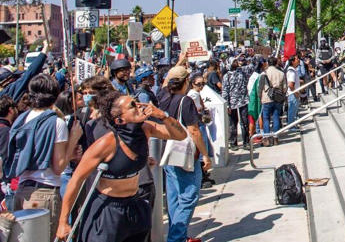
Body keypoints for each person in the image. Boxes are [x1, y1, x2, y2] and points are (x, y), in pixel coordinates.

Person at [55, 89, 187, 242]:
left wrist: (163, 116)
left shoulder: (146, 129)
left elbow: (180, 135)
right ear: (120, 120)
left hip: (134, 204)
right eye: (133, 106)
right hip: (108, 210)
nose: (139, 106)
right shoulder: (107, 143)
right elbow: (76, 180)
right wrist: (63, 222)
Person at [4, 74, 83, 241]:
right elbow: (59, 166)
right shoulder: (56, 123)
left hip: (21, 191)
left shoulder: (21, 119)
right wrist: (74, 138)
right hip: (44, 192)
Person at [157, 67, 212, 242]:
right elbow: (194, 131)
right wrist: (205, 154)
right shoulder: (185, 101)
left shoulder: (162, 97)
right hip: (185, 154)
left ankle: (178, 235)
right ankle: (176, 238)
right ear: (186, 80)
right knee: (189, 196)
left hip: (168, 153)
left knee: (173, 198)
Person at [222, 61, 249, 150]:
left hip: (243, 101)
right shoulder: (227, 76)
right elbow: (225, 91)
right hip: (232, 103)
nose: (236, 63)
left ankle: (246, 142)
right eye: (234, 61)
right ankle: (233, 143)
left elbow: (253, 65)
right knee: (233, 124)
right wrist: (227, 105)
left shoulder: (242, 72)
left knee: (245, 122)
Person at [261, 57, 286, 147]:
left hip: (266, 98)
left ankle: (267, 138)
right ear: (276, 63)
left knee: (266, 118)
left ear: (268, 63)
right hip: (277, 98)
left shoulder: (264, 74)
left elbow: (260, 88)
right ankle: (275, 138)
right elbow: (284, 88)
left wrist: (260, 97)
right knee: (276, 117)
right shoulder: (281, 73)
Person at [285, 55, 300, 127]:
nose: (298, 60)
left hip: (293, 94)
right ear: (293, 61)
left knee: (294, 111)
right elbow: (291, 85)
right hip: (293, 94)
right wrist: (296, 93)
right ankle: (291, 126)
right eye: (297, 59)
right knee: (292, 111)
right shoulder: (291, 71)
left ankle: (292, 124)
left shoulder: (293, 70)